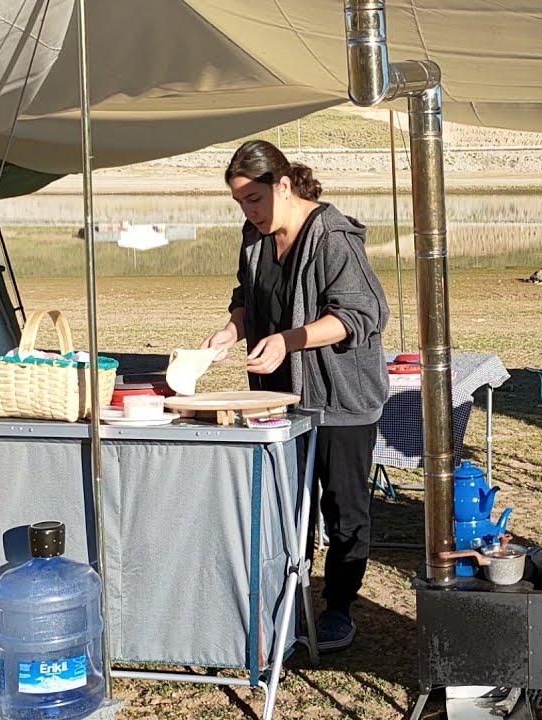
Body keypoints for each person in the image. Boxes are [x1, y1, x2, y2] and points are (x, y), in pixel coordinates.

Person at [202, 140, 390, 653]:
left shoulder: (333, 237)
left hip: (340, 395)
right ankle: (291, 598)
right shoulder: (254, 236)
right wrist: (230, 331)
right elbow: (248, 298)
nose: (249, 211)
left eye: (255, 199)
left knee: (344, 506)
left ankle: (339, 608)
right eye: (240, 202)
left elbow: (363, 316)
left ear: (283, 185)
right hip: (279, 398)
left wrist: (288, 339)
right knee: (287, 502)